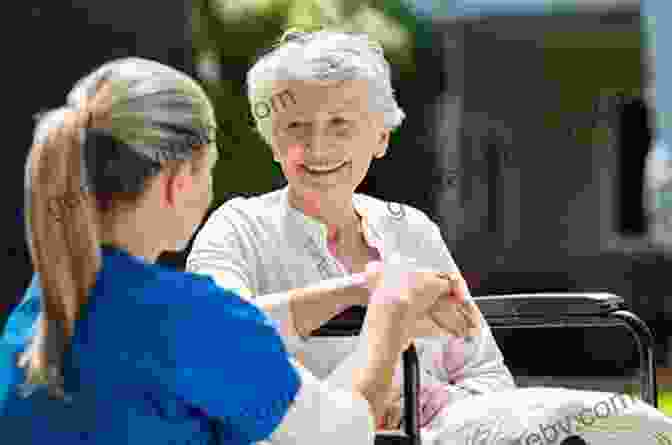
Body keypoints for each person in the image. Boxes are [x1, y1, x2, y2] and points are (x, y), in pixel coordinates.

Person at [0, 57, 462, 444]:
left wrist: (352, 290)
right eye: (209, 171)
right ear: (178, 182)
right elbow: (339, 435)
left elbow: (231, 330)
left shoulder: (36, 315)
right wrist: (390, 314)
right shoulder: (192, 316)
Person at [186, 29, 516, 435]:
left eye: (340, 123)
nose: (317, 146)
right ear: (272, 142)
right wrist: (371, 292)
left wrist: (425, 407)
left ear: (381, 137)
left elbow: (488, 378)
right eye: (296, 126)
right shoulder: (237, 228)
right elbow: (212, 337)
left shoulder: (412, 229)